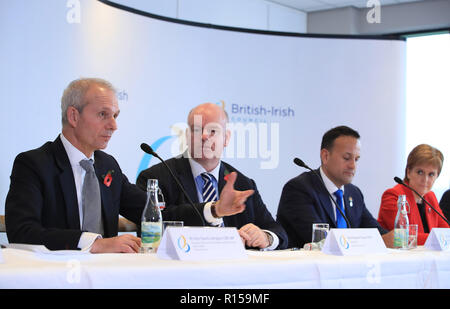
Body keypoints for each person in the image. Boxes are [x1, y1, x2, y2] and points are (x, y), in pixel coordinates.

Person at [5, 79, 252, 253]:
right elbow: (22, 232)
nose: (113, 125)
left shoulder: (107, 166)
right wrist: (93, 243)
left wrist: (215, 209)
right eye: (103, 114)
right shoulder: (34, 164)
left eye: (116, 116)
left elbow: (155, 214)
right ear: (73, 116)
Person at [137, 103, 288, 250]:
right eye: (197, 129)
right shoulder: (156, 177)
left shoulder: (243, 184)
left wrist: (265, 237)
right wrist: (214, 216)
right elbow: (152, 227)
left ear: (226, 138)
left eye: (213, 131)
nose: (204, 136)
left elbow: (277, 231)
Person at [276, 125, 391, 249]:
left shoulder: (354, 193)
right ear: (325, 156)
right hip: (307, 266)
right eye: (346, 158)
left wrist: (390, 238)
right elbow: (322, 240)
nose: (353, 166)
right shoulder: (299, 189)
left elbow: (374, 231)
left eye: (356, 159)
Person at [378, 144, 448, 245]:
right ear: (408, 172)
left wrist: (443, 237)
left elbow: (446, 232)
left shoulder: (430, 197)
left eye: (431, 174)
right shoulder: (393, 196)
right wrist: (439, 238)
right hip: (400, 257)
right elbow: (403, 236)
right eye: (420, 172)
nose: (425, 179)